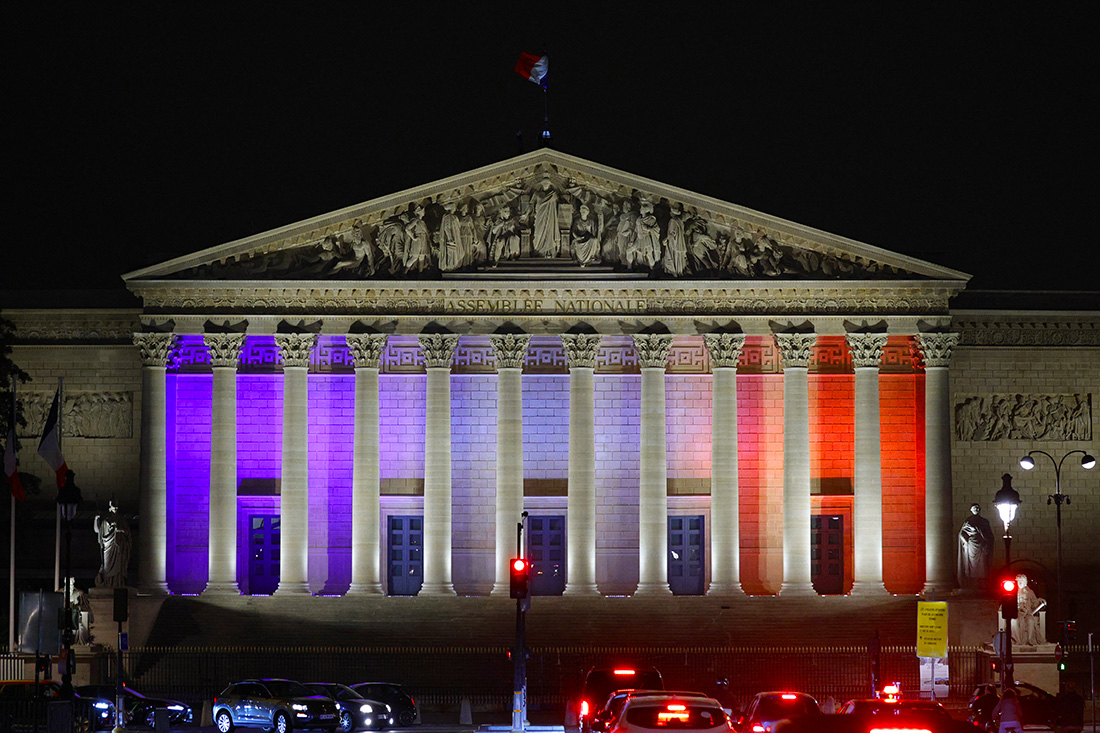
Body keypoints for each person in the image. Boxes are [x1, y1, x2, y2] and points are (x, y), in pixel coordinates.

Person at [94, 500, 132, 588]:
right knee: (107, 566)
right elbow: (98, 531)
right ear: (110, 508)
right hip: (108, 545)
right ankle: (108, 582)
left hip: (119, 545)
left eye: (116, 507)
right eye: (113, 507)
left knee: (119, 565)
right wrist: (96, 519)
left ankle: (118, 582)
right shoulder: (106, 520)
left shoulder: (121, 519)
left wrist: (118, 529)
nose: (115, 509)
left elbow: (127, 532)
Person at [957, 503, 994, 586]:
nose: (976, 509)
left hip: (982, 545)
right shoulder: (968, 521)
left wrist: (987, 542)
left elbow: (990, 535)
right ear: (971, 510)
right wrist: (965, 542)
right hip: (972, 545)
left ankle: (983, 582)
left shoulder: (985, 521)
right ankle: (973, 581)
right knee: (972, 564)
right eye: (974, 508)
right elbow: (961, 533)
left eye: (977, 508)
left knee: (983, 564)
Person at [1012, 573, 1047, 646]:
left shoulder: (1030, 592)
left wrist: (1040, 600)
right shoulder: (1013, 592)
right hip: (1017, 612)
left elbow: (1034, 603)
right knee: (1014, 621)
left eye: (1021, 581)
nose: (1020, 583)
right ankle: (1017, 640)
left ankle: (1030, 639)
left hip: (1028, 613)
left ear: (1025, 582)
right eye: (1019, 582)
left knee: (1030, 620)